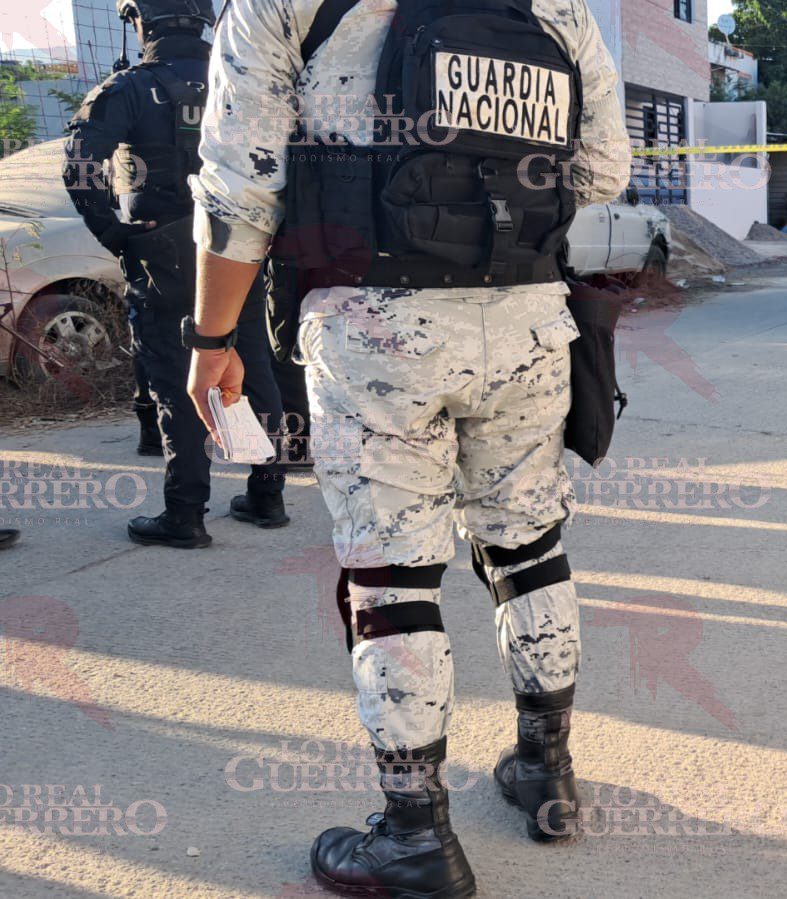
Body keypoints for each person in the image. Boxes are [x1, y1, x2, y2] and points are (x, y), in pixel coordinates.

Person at [186, 0, 631, 893]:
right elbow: (604, 169)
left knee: (391, 576)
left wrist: (210, 339)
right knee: (529, 547)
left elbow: (243, 181)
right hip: (531, 319)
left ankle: (414, 835)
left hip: (374, 323)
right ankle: (547, 772)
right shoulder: (552, 9)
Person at [62, 0, 289, 548]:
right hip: (240, 247)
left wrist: (116, 236)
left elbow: (79, 163)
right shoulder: (243, 79)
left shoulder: (131, 87)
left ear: (139, 19)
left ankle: (184, 514)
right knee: (254, 365)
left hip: (162, 252)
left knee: (173, 376)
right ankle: (267, 496)